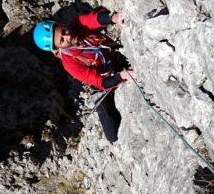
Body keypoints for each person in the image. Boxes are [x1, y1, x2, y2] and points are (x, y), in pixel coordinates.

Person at [33, 7, 136, 143]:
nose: (68, 36)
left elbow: (94, 19)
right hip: (102, 85)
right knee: (113, 135)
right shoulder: (70, 64)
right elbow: (101, 82)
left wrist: (113, 18)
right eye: (62, 40)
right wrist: (121, 76)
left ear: (62, 25)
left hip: (115, 59)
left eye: (64, 31)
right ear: (56, 49)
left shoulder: (78, 25)